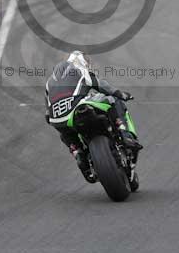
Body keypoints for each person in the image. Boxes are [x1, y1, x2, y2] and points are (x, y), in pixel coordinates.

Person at [45, 51, 143, 180]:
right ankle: (125, 135)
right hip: (78, 107)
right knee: (113, 100)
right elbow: (100, 85)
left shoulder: (49, 81)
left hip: (57, 117)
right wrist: (121, 94)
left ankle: (78, 153)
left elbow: (47, 112)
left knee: (66, 132)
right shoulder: (79, 69)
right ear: (81, 61)